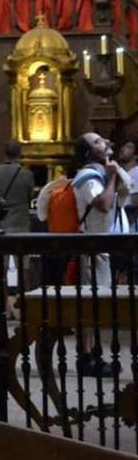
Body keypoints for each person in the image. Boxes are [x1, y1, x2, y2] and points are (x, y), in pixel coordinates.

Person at [71, 133, 133, 376]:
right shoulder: (86, 177)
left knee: (100, 303)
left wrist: (115, 174)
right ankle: (87, 356)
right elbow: (104, 204)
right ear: (88, 152)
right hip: (94, 248)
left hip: (110, 246)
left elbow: (127, 191)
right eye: (97, 142)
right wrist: (111, 178)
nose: (105, 141)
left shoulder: (106, 172)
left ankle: (94, 354)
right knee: (91, 303)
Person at [0, 139, 34, 234]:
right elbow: (30, 197)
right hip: (20, 225)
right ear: (19, 153)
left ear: (4, 153)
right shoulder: (27, 174)